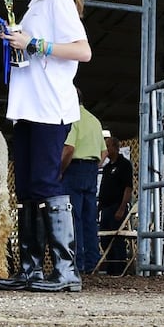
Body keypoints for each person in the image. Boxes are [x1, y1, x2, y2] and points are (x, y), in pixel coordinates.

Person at [0, 0, 92, 293]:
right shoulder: (37, 3)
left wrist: (33, 43)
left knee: (48, 184)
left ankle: (66, 270)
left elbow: (83, 51)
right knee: (29, 189)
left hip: (50, 106)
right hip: (28, 106)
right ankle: (32, 268)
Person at [59, 101, 103, 274]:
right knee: (90, 218)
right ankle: (93, 262)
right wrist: (93, 167)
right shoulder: (95, 121)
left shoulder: (73, 119)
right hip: (91, 169)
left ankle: (77, 262)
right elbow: (104, 151)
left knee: (74, 217)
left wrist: (60, 170)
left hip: (74, 168)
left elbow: (69, 148)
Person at [98, 130, 133, 275]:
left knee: (117, 238)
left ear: (115, 147)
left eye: (107, 146)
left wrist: (122, 207)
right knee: (105, 239)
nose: (106, 149)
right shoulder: (106, 168)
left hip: (117, 206)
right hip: (105, 207)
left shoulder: (124, 165)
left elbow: (128, 187)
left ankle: (119, 268)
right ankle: (110, 267)